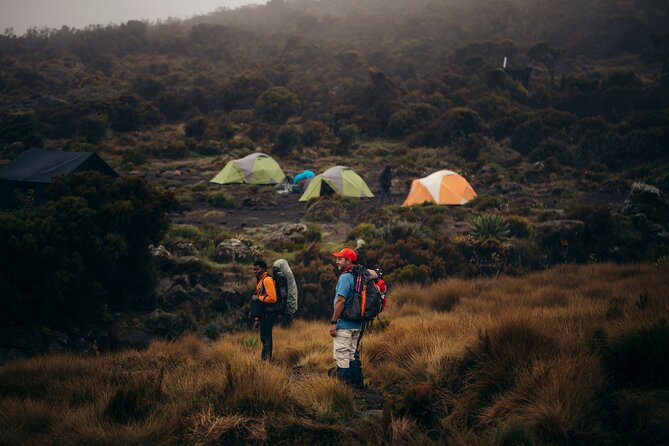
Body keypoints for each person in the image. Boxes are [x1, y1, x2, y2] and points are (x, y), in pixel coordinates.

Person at [329, 247, 377, 387]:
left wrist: (333, 322)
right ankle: (356, 387)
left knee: (342, 357)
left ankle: (343, 389)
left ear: (348, 260)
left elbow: (340, 301)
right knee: (351, 355)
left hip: (344, 325)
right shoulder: (361, 275)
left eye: (340, 259)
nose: (337, 261)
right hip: (357, 324)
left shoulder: (345, 277)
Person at [252, 260, 277, 361]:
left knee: (266, 336)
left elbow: (273, 298)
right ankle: (265, 360)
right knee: (264, 337)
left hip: (269, 312)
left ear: (264, 269)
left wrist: (258, 298)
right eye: (254, 269)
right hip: (263, 313)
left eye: (257, 269)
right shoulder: (260, 280)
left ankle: (266, 361)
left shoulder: (267, 280)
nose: (255, 271)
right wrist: (257, 319)